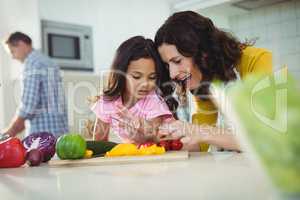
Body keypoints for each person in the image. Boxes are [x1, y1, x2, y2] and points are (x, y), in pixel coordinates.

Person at [154, 11, 273, 151]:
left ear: (204, 52)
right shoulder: (205, 85)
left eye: (177, 61)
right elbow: (199, 146)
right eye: (168, 65)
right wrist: (162, 140)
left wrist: (196, 130)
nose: (172, 74)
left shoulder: (258, 60)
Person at [91, 36, 177, 144]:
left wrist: (140, 129)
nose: (145, 84)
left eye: (152, 77)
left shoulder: (153, 100)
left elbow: (152, 137)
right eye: (136, 76)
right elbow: (99, 143)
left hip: (168, 151)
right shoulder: (108, 102)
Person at [2, 32, 69, 138]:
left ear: (21, 44)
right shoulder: (49, 62)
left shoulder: (32, 64)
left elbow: (28, 106)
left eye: (12, 52)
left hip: (41, 139)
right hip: (61, 135)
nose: (13, 57)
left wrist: (7, 134)